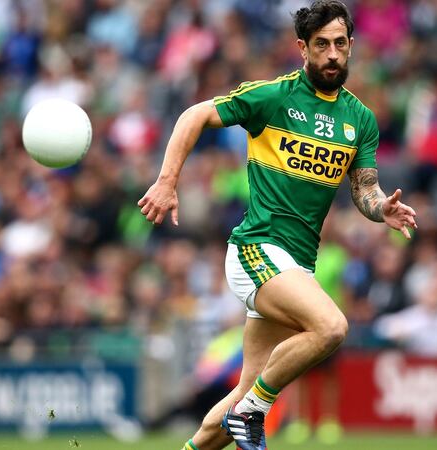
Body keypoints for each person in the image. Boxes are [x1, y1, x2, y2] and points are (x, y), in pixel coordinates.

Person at [137, 2, 417, 449]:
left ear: (351, 46)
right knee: (331, 327)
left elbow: (365, 190)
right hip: (256, 248)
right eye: (321, 45)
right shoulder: (274, 96)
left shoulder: (360, 119)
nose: (332, 54)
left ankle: (234, 417)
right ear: (303, 48)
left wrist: (380, 208)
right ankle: (252, 412)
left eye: (340, 44)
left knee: (243, 391)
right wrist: (168, 182)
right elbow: (194, 115)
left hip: (296, 265)